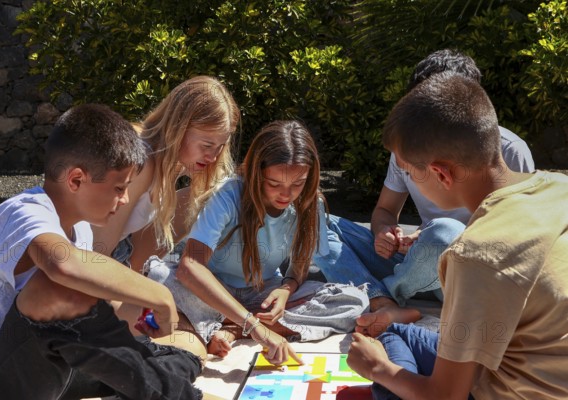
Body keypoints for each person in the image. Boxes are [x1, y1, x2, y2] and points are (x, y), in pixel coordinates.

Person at [347, 72, 568, 399]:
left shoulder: (475, 253)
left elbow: (444, 396)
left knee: (379, 365)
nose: (409, 181)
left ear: (440, 173)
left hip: (513, 392)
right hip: (538, 368)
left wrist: (376, 368)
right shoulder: (558, 188)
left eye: (409, 173)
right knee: (393, 332)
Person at [0, 104, 207, 399]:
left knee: (182, 356)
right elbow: (63, 269)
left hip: (42, 367)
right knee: (54, 289)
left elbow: (97, 313)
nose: (125, 199)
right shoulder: (24, 212)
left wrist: (150, 320)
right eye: (119, 188)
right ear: (76, 180)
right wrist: (161, 296)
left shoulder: (79, 229)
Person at [313, 49, 536, 336]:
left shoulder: (507, 151)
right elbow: (384, 211)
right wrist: (386, 234)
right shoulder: (407, 147)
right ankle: (384, 300)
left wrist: (436, 236)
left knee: (445, 233)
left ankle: (384, 294)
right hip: (415, 263)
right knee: (313, 221)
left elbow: (518, 241)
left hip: (466, 275)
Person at [143, 120, 370, 365]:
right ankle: (244, 325)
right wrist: (254, 325)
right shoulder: (229, 195)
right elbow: (190, 267)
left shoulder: (309, 203)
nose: (286, 194)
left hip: (261, 293)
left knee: (354, 301)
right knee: (158, 279)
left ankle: (229, 329)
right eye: (274, 184)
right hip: (211, 292)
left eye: (298, 183)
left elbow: (299, 267)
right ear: (256, 173)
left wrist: (286, 290)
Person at [92, 75, 240, 272]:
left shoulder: (169, 161)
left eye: (221, 147)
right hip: (85, 259)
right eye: (207, 145)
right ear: (178, 128)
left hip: (116, 256)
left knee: (206, 195)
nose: (213, 156)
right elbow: (95, 252)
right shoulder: (141, 159)